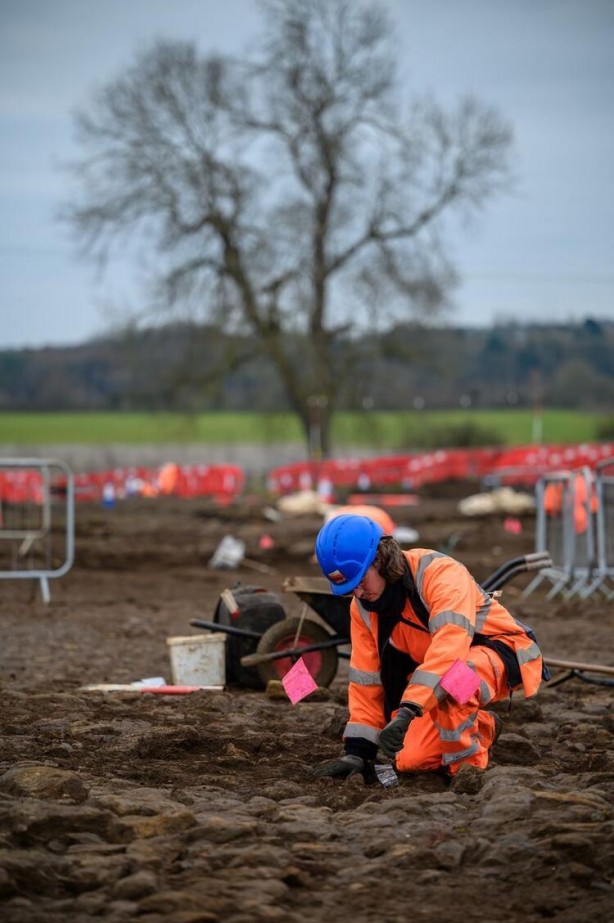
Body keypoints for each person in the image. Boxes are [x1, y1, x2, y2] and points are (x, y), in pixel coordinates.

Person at [312, 513, 545, 785]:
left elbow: (449, 650)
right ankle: (483, 726)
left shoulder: (439, 574)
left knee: (453, 681)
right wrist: (357, 753)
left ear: (381, 560)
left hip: (502, 651)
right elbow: (366, 681)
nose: (359, 594)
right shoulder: (362, 609)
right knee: (411, 761)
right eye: (350, 589)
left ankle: (468, 771)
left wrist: (410, 708)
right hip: (437, 677)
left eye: (361, 581)